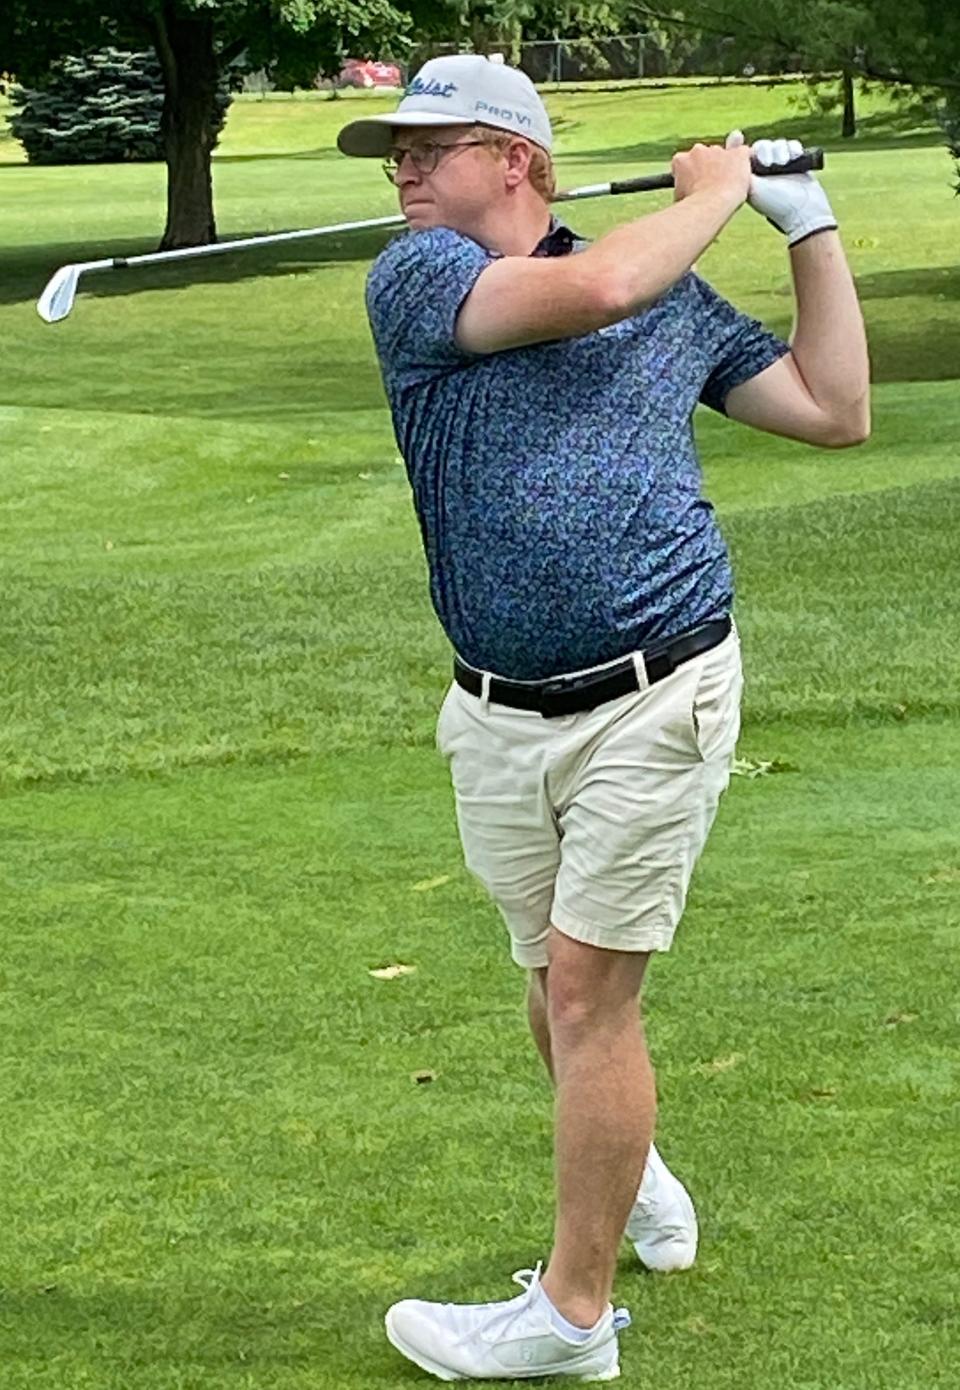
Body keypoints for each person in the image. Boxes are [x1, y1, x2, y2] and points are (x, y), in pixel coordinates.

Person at [338, 54, 869, 1383]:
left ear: (515, 156)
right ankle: (627, 1172)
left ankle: (572, 1319)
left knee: (587, 994)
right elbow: (600, 287)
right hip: (499, 708)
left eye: (430, 145)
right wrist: (719, 189)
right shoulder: (422, 276)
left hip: (662, 683)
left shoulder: (665, 286)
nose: (402, 169)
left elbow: (832, 409)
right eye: (394, 150)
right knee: (555, 987)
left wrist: (808, 232)